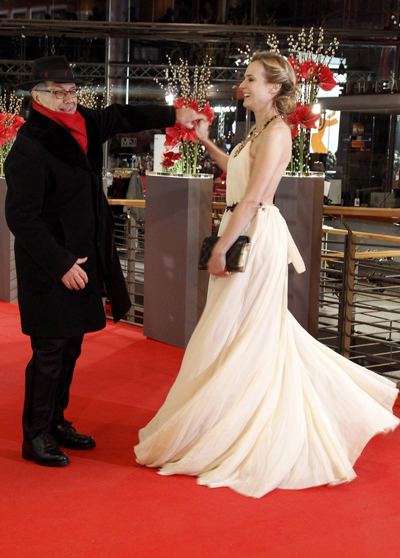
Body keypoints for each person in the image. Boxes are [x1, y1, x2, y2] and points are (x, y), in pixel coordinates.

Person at [134, 52, 400, 498]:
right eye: (245, 77)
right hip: (245, 231)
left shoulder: (277, 131)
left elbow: (255, 197)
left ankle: (249, 429)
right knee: (238, 334)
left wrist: (221, 245)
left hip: (254, 237)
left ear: (275, 88)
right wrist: (206, 144)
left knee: (241, 335)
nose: (243, 84)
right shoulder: (257, 130)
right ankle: (229, 421)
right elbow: (239, 177)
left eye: (251, 78)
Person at [5, 55, 205, 468]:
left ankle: (56, 420)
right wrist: (61, 263)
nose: (68, 100)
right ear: (38, 97)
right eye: (58, 93)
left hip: (85, 260)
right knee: (50, 350)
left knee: (71, 347)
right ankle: (35, 434)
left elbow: (123, 115)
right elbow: (21, 217)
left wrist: (175, 113)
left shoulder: (85, 124)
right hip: (51, 268)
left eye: (72, 92)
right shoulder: (31, 144)